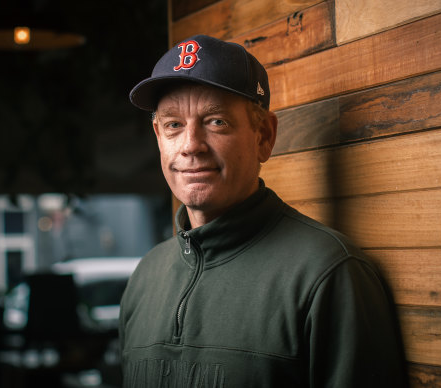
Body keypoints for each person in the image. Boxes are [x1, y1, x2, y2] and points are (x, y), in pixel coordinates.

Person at [119, 34, 407, 387]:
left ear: (264, 136)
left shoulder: (329, 274)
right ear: (158, 136)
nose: (191, 145)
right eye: (173, 125)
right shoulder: (144, 277)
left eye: (216, 121)